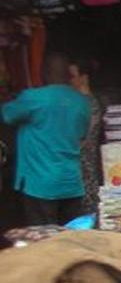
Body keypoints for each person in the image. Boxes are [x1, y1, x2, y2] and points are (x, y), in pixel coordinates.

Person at [1, 52, 92, 226]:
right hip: (71, 183)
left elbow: (7, 115)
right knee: (73, 239)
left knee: (43, 244)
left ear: (43, 74)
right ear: (67, 76)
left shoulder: (33, 98)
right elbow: (82, 135)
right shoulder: (82, 102)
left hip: (40, 185)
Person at [69, 58, 102, 217]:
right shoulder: (81, 103)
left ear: (84, 78)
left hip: (85, 173)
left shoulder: (89, 104)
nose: (69, 81)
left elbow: (84, 141)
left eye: (72, 76)